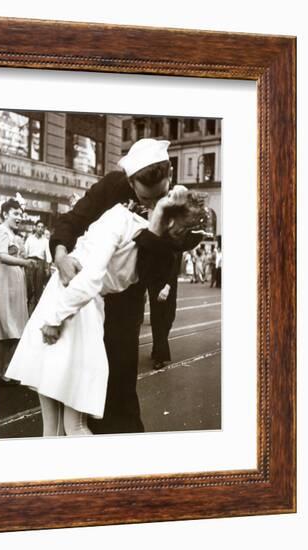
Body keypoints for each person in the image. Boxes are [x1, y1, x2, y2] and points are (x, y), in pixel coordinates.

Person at [5, 186, 206, 435]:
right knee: (67, 424)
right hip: (77, 305)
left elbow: (90, 279)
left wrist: (55, 317)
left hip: (70, 304)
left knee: (65, 426)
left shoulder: (125, 220)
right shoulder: (149, 241)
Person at [47, 138, 203, 434]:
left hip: (125, 302)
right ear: (131, 182)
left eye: (159, 195)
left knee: (118, 386)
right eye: (146, 199)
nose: (152, 204)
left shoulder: (174, 201)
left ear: (169, 176)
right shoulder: (111, 187)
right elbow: (73, 219)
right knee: (76, 386)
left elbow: (166, 258)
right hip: (87, 301)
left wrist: (166, 218)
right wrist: (60, 254)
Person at [0, 199, 35, 380]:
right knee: (5, 328)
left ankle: (3, 368)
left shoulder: (13, 234)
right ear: (5, 214)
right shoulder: (2, 231)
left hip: (13, 285)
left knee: (11, 329)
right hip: (4, 285)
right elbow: (2, 255)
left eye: (20, 214)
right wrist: (24, 262)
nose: (19, 217)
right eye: (15, 214)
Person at [24, 221, 52, 314]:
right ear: (35, 227)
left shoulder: (45, 241)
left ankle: (35, 314)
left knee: (38, 289)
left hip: (40, 263)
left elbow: (48, 255)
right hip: (30, 262)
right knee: (28, 288)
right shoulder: (29, 239)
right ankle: (26, 312)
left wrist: (47, 268)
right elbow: (25, 252)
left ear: (43, 229)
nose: (40, 229)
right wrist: (25, 263)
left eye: (42, 227)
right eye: (38, 227)